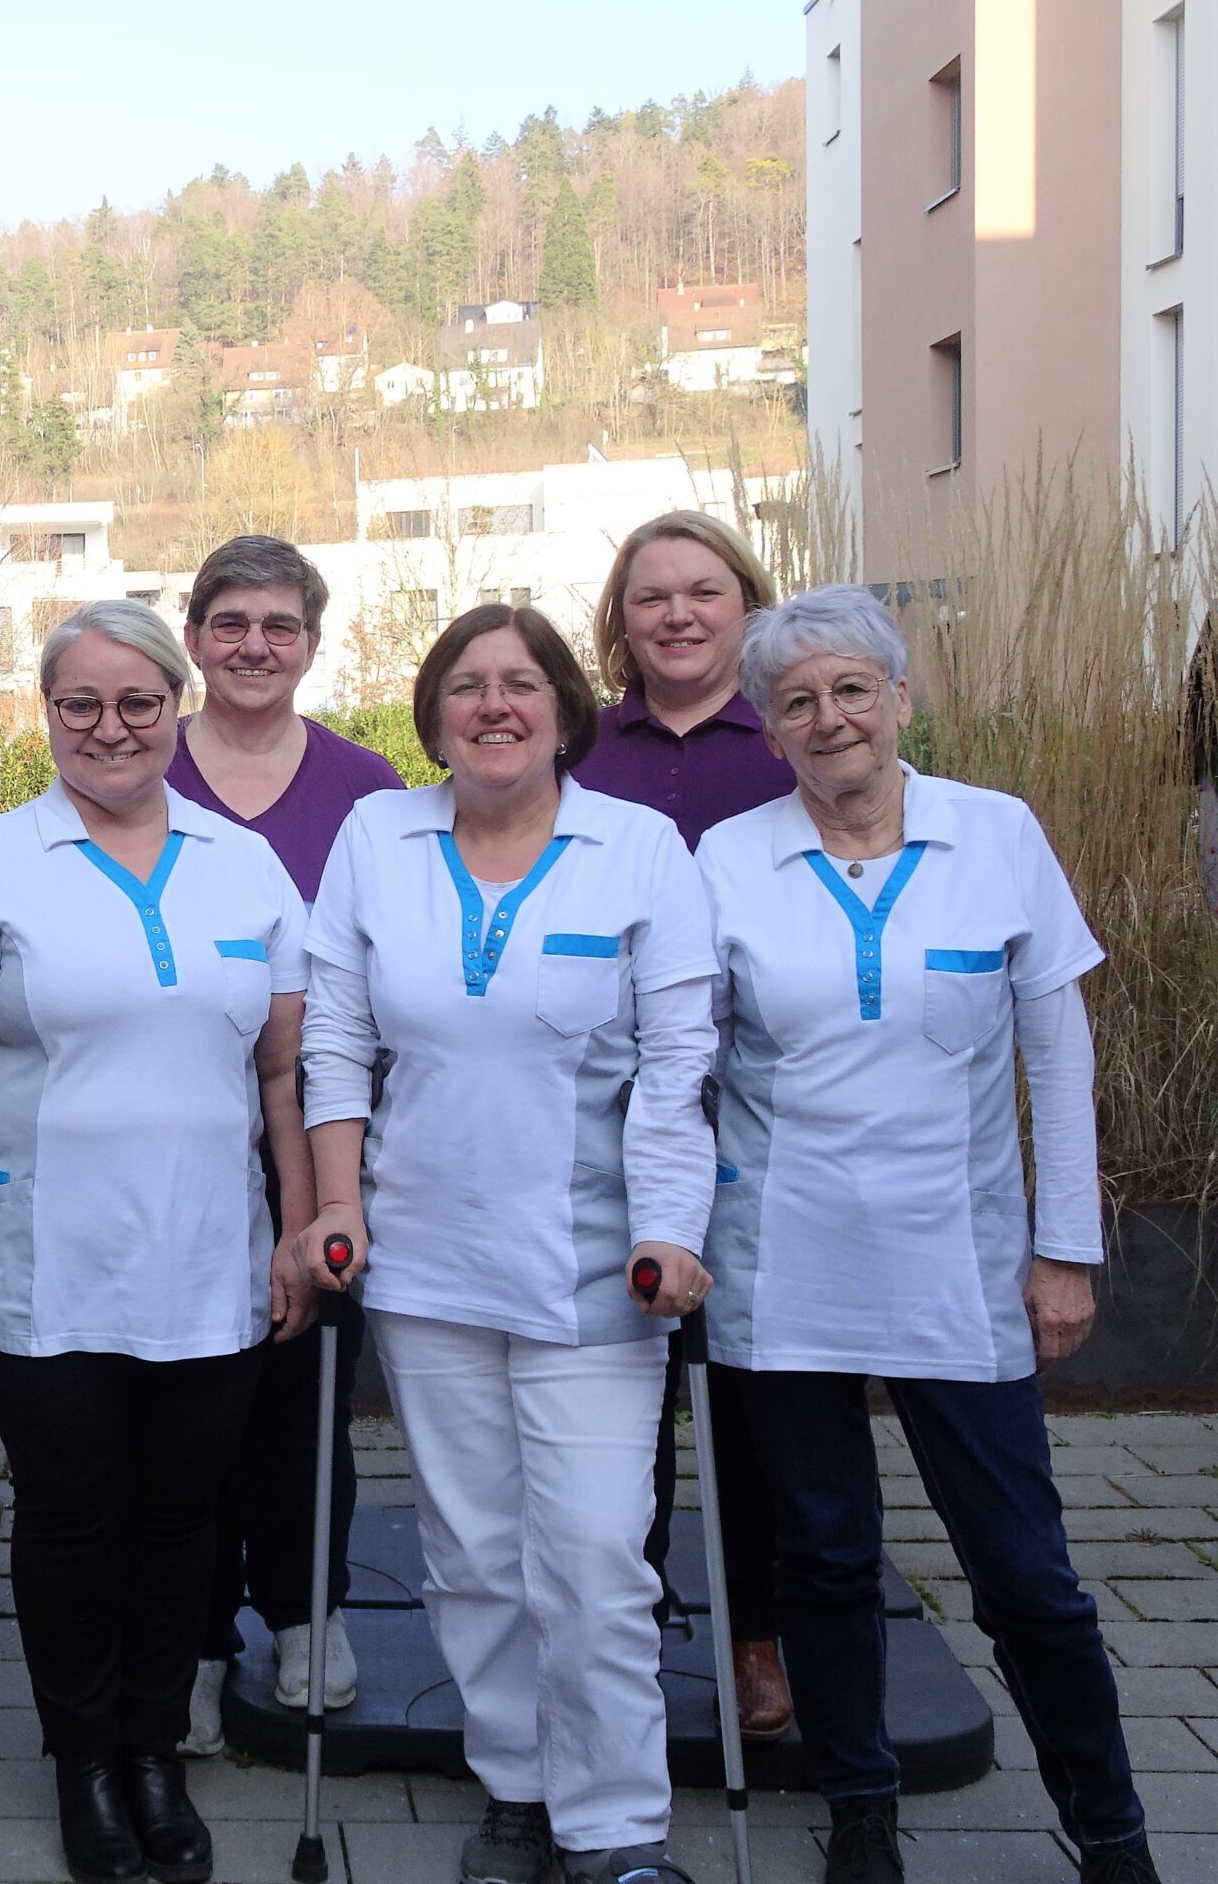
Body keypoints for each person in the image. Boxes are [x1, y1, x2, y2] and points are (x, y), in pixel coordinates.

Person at [700, 588, 1165, 1884]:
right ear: (768, 726)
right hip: (779, 1269)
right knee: (827, 1560)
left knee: (1028, 1576)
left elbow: (1056, 1057)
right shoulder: (731, 861)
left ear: (902, 701)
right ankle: (861, 1805)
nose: (828, 717)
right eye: (796, 700)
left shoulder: (996, 834)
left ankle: (1112, 1825)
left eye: (853, 690)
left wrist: (1064, 1252)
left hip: (957, 1266)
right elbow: (685, 1060)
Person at [294, 603, 717, 1884]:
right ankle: (517, 1785)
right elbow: (331, 1042)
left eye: (521, 683)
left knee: (593, 1555)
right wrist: (336, 1204)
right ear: (431, 716)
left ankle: (615, 1825)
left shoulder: (637, 848)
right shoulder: (379, 835)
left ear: (563, 710)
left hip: (596, 1263)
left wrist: (669, 1230)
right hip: (423, 1257)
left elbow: (678, 1063)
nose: (494, 705)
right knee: (472, 1553)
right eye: (467, 686)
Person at [0, 600, 317, 1884]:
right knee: (76, 1521)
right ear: (47, 717)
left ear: (177, 709)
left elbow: (287, 1073)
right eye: (79, 703)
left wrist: (299, 1230)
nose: (109, 727)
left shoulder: (241, 865)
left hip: (210, 1262)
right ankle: (82, 1760)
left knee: (181, 1520)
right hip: (42, 1262)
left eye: (137, 702)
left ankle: (151, 1748)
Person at [166, 534, 404, 1750]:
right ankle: (196, 1635)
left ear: (312, 641)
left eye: (280, 625)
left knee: (310, 1383)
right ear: (196, 633)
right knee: (196, 1395)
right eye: (230, 622)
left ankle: (307, 1610)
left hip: (327, 1135)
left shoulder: (368, 790)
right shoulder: (142, 763)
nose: (254, 646)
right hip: (178, 1131)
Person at [571, 509, 798, 1742]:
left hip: (761, 1102)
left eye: (701, 593)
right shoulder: (580, 751)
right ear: (620, 620)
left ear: (744, 606)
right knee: (627, 1374)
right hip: (613, 1106)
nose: (675, 616)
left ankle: (757, 1630)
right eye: (650, 596)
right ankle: (630, 1615)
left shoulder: (789, 738)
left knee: (751, 1387)